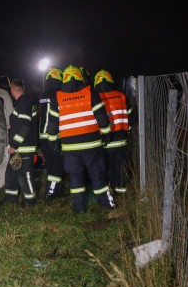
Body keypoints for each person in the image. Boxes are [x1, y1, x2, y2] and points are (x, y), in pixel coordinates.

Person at [45, 65, 115, 213]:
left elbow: (52, 125)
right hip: (92, 145)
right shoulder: (90, 92)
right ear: (79, 77)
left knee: (75, 178)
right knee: (97, 175)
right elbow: (102, 117)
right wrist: (107, 134)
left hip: (70, 148)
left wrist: (53, 141)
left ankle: (79, 208)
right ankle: (106, 205)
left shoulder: (57, 97)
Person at [0, 79, 39, 206]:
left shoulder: (24, 103)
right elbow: (22, 123)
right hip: (19, 149)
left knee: (24, 175)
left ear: (12, 89)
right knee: (11, 173)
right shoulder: (24, 102)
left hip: (23, 148)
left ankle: (30, 201)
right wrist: (13, 126)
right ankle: (10, 198)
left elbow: (25, 126)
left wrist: (14, 145)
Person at [93, 70, 134, 194]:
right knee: (121, 166)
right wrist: (128, 130)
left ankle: (110, 191)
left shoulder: (96, 98)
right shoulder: (121, 95)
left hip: (105, 139)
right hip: (121, 139)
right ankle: (121, 191)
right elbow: (131, 116)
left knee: (107, 166)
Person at [38, 67, 65, 199]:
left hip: (42, 136)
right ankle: (51, 192)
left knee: (51, 165)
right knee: (57, 165)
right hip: (54, 135)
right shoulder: (58, 94)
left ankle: (56, 190)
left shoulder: (43, 94)